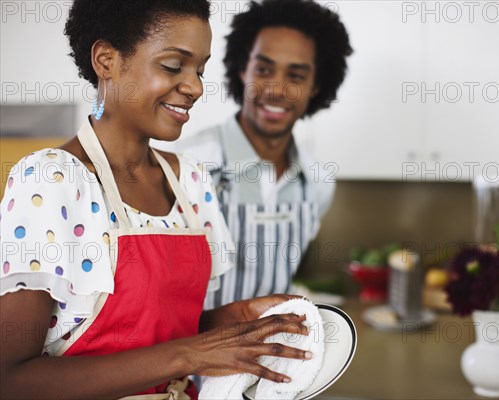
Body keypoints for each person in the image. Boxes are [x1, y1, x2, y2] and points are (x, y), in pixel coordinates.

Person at [0, 1, 312, 398]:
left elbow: (160, 331)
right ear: (106, 60)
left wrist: (236, 318)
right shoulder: (53, 180)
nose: (195, 87)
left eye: (199, 69)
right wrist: (185, 356)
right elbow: (10, 381)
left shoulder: (190, 181)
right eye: (172, 66)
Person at [161, 0, 353, 309]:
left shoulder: (317, 182)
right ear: (242, 70)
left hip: (277, 351)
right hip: (193, 351)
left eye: (297, 75)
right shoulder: (184, 164)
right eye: (263, 69)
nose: (277, 89)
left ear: (316, 86)